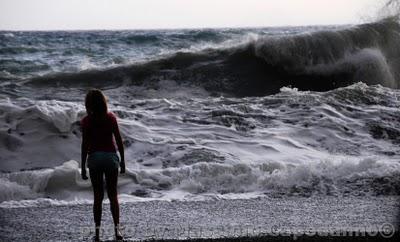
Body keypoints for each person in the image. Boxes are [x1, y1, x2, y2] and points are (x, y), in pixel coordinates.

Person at [80, 89, 125, 241]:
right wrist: (123, 161)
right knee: (113, 196)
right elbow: (118, 140)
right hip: (110, 158)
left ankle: (98, 234)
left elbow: (85, 145)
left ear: (89, 105)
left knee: (98, 197)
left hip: (95, 159)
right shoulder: (111, 118)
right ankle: (117, 232)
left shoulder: (86, 121)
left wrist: (82, 166)